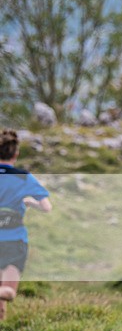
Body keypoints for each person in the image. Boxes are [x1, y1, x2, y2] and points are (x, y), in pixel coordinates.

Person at [0, 129, 52, 320]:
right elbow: (47, 207)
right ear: (16, 153)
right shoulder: (23, 177)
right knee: (8, 292)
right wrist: (31, 202)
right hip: (14, 241)